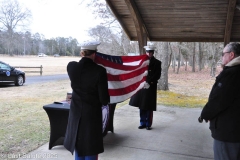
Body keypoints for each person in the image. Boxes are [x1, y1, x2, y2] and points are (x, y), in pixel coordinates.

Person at [64, 41, 110, 160]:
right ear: (94, 54)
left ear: (81, 53)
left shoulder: (72, 67)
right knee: (91, 147)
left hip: (76, 113)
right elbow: (104, 99)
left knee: (78, 145)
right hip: (91, 114)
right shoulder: (99, 71)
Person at [199, 42, 240, 160]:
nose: (222, 56)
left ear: (231, 55)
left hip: (228, 131)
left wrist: (205, 114)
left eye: (224, 54)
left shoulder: (232, 73)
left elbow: (219, 100)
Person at [129, 45, 161, 130]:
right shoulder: (141, 61)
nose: (148, 53)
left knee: (149, 106)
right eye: (147, 52)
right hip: (142, 86)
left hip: (150, 86)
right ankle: (142, 122)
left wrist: (149, 82)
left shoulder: (157, 63)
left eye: (150, 52)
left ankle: (148, 123)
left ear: (153, 53)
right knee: (142, 105)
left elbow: (157, 75)